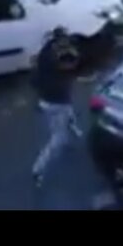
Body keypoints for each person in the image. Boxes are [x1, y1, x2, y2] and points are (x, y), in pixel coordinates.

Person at [31, 29, 82, 188]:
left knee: (67, 109)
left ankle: (72, 125)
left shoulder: (45, 52)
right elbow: (70, 65)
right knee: (58, 138)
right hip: (56, 102)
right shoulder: (59, 58)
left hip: (47, 99)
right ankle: (38, 168)